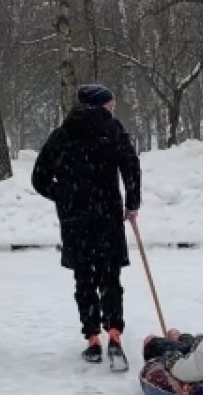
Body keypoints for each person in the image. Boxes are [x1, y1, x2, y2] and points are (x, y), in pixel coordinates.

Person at [31, 84, 141, 367]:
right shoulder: (113, 130)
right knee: (110, 277)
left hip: (75, 220)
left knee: (84, 279)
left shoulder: (62, 134)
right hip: (107, 215)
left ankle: (92, 340)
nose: (113, 107)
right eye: (111, 103)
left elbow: (39, 177)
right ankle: (115, 334)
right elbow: (131, 165)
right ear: (101, 105)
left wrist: (64, 196)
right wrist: (132, 203)